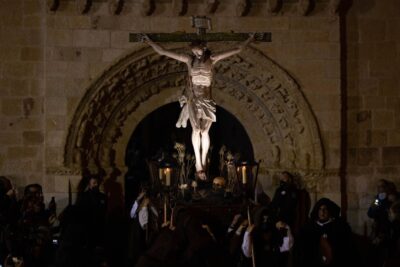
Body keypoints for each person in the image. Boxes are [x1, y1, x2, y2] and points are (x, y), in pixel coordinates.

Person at [141, 33, 254, 180]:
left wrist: (249, 39)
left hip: (206, 99)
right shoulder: (189, 61)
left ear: (204, 48)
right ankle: (199, 164)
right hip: (194, 98)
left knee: (205, 131)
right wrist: (150, 42)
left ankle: (203, 161)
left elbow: (237, 49)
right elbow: (164, 52)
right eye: (193, 51)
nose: (195, 53)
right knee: (196, 130)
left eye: (198, 51)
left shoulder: (212, 60)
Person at [294, 198, 354, 267]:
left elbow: (347, 251)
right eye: (320, 209)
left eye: (325, 209)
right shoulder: (308, 228)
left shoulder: (340, 227)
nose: (322, 212)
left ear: (329, 211)